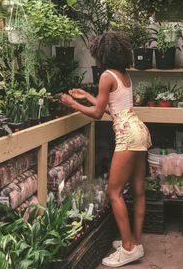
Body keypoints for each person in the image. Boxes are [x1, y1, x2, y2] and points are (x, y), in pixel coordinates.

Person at [61, 31, 152, 268]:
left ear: (102, 53)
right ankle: (135, 242)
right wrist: (88, 96)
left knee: (114, 192)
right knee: (139, 190)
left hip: (126, 135)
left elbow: (98, 114)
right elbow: (114, 108)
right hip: (139, 129)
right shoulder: (123, 75)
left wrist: (73, 103)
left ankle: (128, 248)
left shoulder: (105, 76)